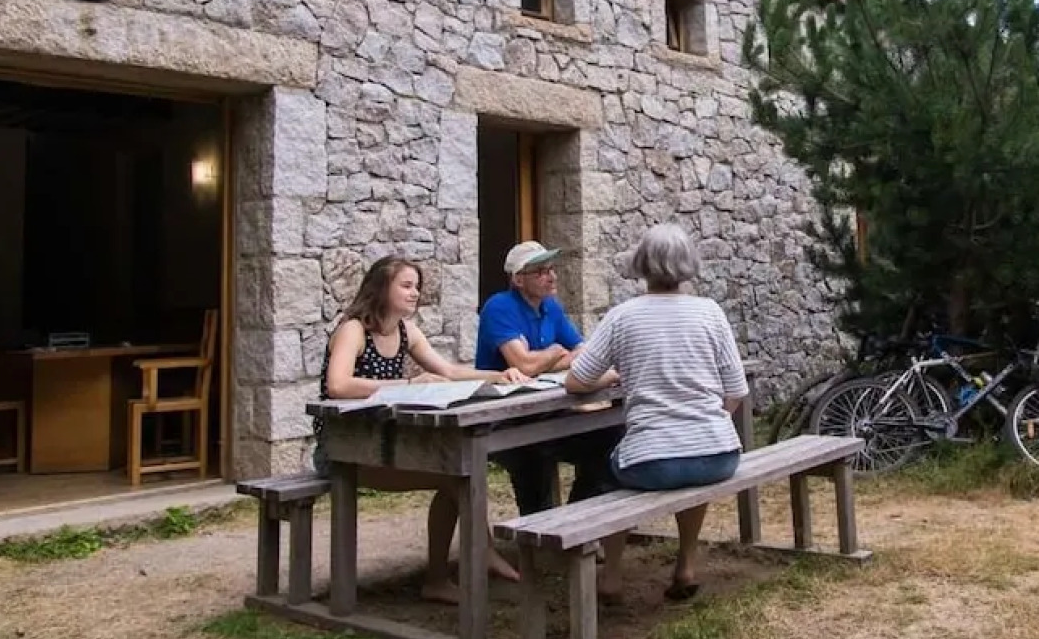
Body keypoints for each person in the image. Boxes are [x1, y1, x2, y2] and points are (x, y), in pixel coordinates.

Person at [315, 255, 528, 598]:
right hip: (342, 449)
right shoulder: (353, 329)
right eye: (406, 286)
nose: (415, 294)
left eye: (417, 287)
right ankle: (454, 571)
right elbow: (338, 385)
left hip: (385, 444)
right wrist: (407, 385)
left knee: (458, 473)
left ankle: (446, 575)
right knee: (455, 478)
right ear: (382, 287)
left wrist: (499, 375)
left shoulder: (405, 331)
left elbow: (450, 371)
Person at [565, 223, 749, 602]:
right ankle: (685, 564)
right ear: (688, 264)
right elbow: (736, 391)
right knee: (691, 465)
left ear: (642, 263)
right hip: (718, 455)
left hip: (652, 462)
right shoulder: (710, 313)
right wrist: (711, 422)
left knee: (606, 465)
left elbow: (576, 380)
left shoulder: (623, 317)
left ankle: (612, 576)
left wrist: (615, 375)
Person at [475, 240, 623, 515]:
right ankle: (544, 537)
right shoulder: (499, 307)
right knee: (531, 453)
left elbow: (582, 352)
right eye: (541, 271)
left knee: (610, 437)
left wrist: (545, 359)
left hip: (546, 412)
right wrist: (555, 351)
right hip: (501, 419)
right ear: (518, 279)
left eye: (552, 269)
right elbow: (523, 364)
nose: (552, 276)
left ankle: (576, 523)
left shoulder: (550, 306)